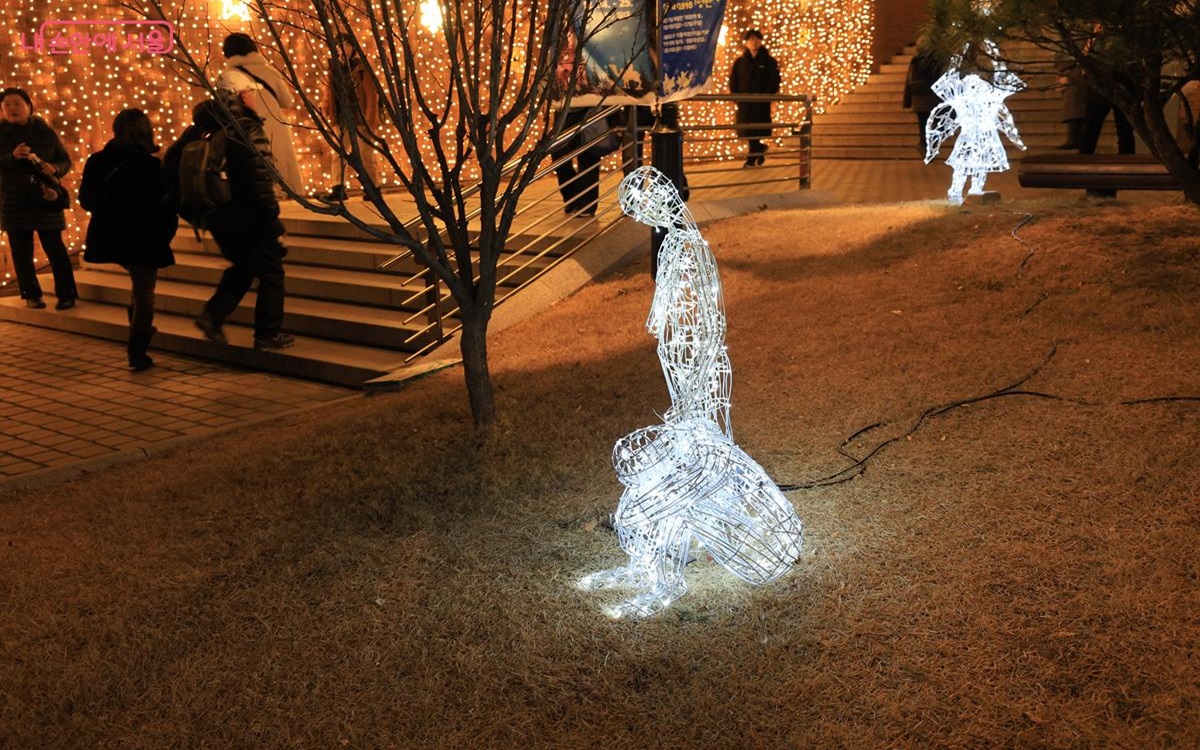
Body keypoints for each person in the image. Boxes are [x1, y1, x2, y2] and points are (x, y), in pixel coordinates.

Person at [168, 92, 293, 351]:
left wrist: (196, 214)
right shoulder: (242, 131)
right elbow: (259, 183)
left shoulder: (194, 136)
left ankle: (212, 316)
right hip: (247, 216)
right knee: (271, 272)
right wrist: (273, 222)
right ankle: (267, 335)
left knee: (245, 266)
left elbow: (169, 173)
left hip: (217, 217)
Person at [78, 109, 177, 370]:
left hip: (112, 234)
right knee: (145, 294)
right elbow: (165, 205)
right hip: (144, 236)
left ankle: (139, 333)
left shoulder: (97, 161)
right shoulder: (152, 166)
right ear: (146, 132)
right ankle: (137, 350)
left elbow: (86, 200)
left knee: (139, 287)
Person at [0, 87, 77, 310]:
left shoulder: (45, 131)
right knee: (22, 252)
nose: (12, 108)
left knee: (56, 249)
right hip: (14, 201)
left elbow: (65, 160)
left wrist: (55, 168)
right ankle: (31, 294)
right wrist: (11, 157)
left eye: (17, 103)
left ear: (29, 106)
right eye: (7, 105)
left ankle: (67, 294)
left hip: (46, 197)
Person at [216, 32, 302, 195]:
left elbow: (223, 109)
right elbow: (287, 102)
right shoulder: (270, 72)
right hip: (277, 127)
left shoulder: (227, 77)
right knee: (283, 179)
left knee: (256, 179)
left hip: (246, 131)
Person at [322, 35, 380, 202]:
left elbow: (371, 95)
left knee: (365, 154)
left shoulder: (362, 68)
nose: (343, 48)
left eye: (347, 45)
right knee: (338, 153)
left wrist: (370, 118)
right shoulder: (334, 68)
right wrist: (326, 105)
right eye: (340, 45)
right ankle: (338, 187)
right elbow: (329, 90)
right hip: (342, 117)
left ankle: (372, 187)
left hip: (361, 117)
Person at [728, 29, 780, 167]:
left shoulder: (769, 61)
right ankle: (759, 150)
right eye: (750, 39)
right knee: (748, 131)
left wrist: (766, 96)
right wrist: (736, 97)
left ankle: (752, 158)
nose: (753, 41)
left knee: (755, 130)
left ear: (761, 41)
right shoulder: (740, 62)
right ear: (746, 43)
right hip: (745, 103)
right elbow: (733, 80)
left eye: (756, 39)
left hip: (761, 103)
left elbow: (774, 81)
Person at [551, 107, 602, 217]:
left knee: (588, 157)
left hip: (591, 109)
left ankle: (586, 204)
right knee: (559, 158)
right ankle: (572, 199)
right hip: (564, 110)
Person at [903, 44, 942, 151]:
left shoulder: (915, 61)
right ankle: (932, 142)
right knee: (934, 122)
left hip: (918, 99)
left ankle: (924, 144)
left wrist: (907, 100)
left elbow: (909, 80)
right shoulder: (935, 61)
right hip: (932, 98)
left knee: (922, 123)